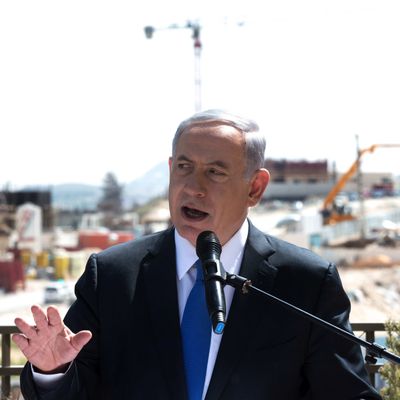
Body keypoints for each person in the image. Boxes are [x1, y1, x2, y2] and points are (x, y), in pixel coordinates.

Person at [13, 109, 381, 399]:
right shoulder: (111, 275)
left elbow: (348, 393)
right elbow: (77, 392)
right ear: (171, 170)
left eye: (215, 172)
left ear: (255, 188)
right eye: (185, 168)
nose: (193, 187)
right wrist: (52, 372)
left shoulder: (306, 281)